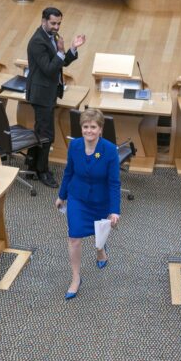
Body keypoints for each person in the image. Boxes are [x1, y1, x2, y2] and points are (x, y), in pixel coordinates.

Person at [55, 109, 120, 299]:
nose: (89, 131)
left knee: (99, 232)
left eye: (93, 127)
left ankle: (100, 250)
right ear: (81, 128)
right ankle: (76, 278)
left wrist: (115, 210)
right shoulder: (74, 145)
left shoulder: (109, 150)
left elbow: (114, 183)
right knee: (74, 237)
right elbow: (69, 171)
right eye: (85, 127)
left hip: (101, 199)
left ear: (100, 129)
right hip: (78, 197)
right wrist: (62, 195)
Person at [26, 7, 86, 188]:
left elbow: (62, 62)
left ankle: (32, 164)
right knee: (46, 135)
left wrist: (72, 48)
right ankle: (43, 171)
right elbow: (49, 68)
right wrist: (60, 52)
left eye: (59, 23)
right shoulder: (37, 41)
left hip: (49, 92)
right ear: (43, 20)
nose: (57, 27)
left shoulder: (53, 37)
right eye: (53, 23)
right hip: (41, 94)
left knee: (41, 131)